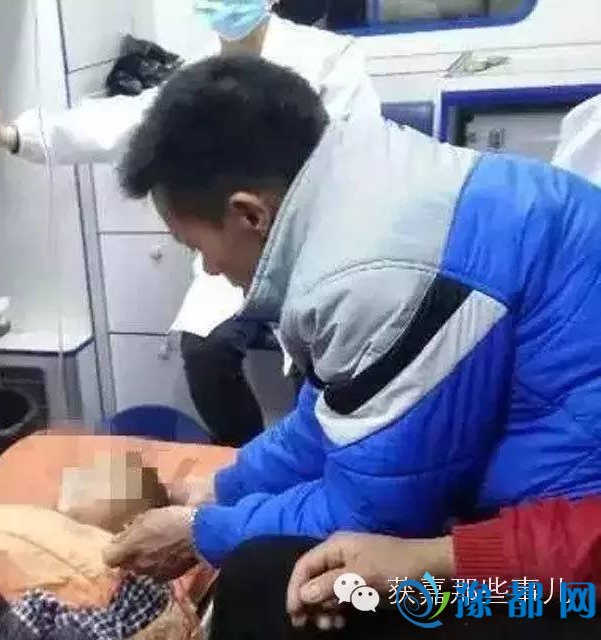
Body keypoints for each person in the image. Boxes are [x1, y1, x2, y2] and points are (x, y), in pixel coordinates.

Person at [101, 54, 601, 585]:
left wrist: (203, 533)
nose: (209, 268)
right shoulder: (361, 171)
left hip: (572, 536)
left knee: (269, 585)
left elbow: (372, 518)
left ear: (250, 214)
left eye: (197, 246)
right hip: (553, 463)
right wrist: (224, 488)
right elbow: (331, 418)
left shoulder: (370, 276)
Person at [0, 0, 381, 447]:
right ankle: (240, 453)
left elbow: (355, 158)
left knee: (314, 362)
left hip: (310, 249)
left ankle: (309, 457)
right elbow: (120, 121)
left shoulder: (331, 58)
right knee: (203, 351)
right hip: (237, 247)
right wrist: (11, 135)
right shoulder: (198, 75)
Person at [202, 497, 601, 639]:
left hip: (573, 595)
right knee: (260, 578)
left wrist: (203, 526)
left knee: (262, 583)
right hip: (559, 573)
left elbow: (386, 489)